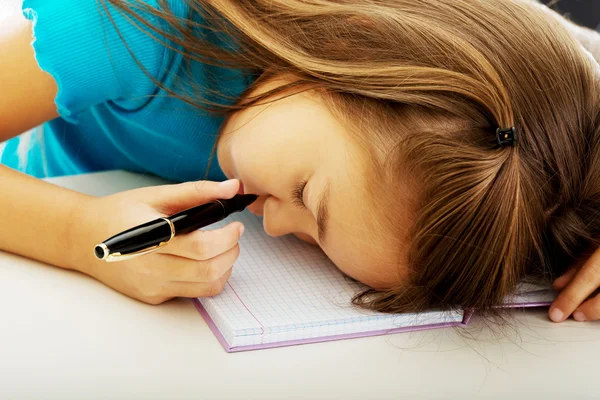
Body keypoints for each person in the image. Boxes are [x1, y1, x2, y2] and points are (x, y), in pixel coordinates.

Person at [1, 0, 599, 323]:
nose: (276, 226)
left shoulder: (521, 129)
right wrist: (78, 232)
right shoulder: (131, 22)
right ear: (353, 48)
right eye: (309, 198)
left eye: (313, 244)